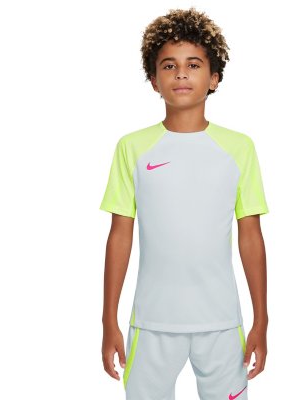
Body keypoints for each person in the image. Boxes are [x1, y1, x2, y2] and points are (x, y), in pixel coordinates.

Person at [99, 7, 269, 400]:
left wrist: (261, 319)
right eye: (169, 66)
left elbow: (251, 236)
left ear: (214, 77)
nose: (180, 74)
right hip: (151, 322)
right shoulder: (132, 148)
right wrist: (109, 319)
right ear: (154, 80)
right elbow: (119, 236)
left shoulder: (239, 148)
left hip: (221, 322)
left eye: (193, 65)